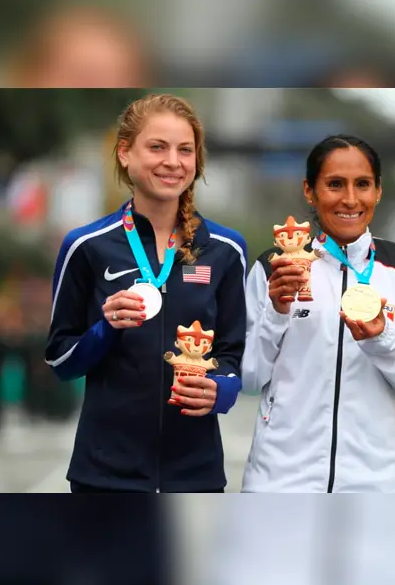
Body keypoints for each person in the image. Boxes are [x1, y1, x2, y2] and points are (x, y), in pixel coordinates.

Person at [45, 93, 248, 493]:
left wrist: (220, 390)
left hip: (196, 473)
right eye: (157, 147)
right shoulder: (86, 246)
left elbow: (234, 353)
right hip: (103, 474)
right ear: (125, 153)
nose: (173, 161)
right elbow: (60, 361)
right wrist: (105, 327)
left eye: (185, 150)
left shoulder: (226, 249)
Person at [240, 134, 395, 492]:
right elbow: (250, 378)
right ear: (309, 191)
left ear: (378, 191)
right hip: (280, 479)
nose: (350, 199)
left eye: (362, 184)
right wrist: (278, 311)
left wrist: (382, 337)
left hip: (378, 482)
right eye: (334, 184)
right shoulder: (274, 267)